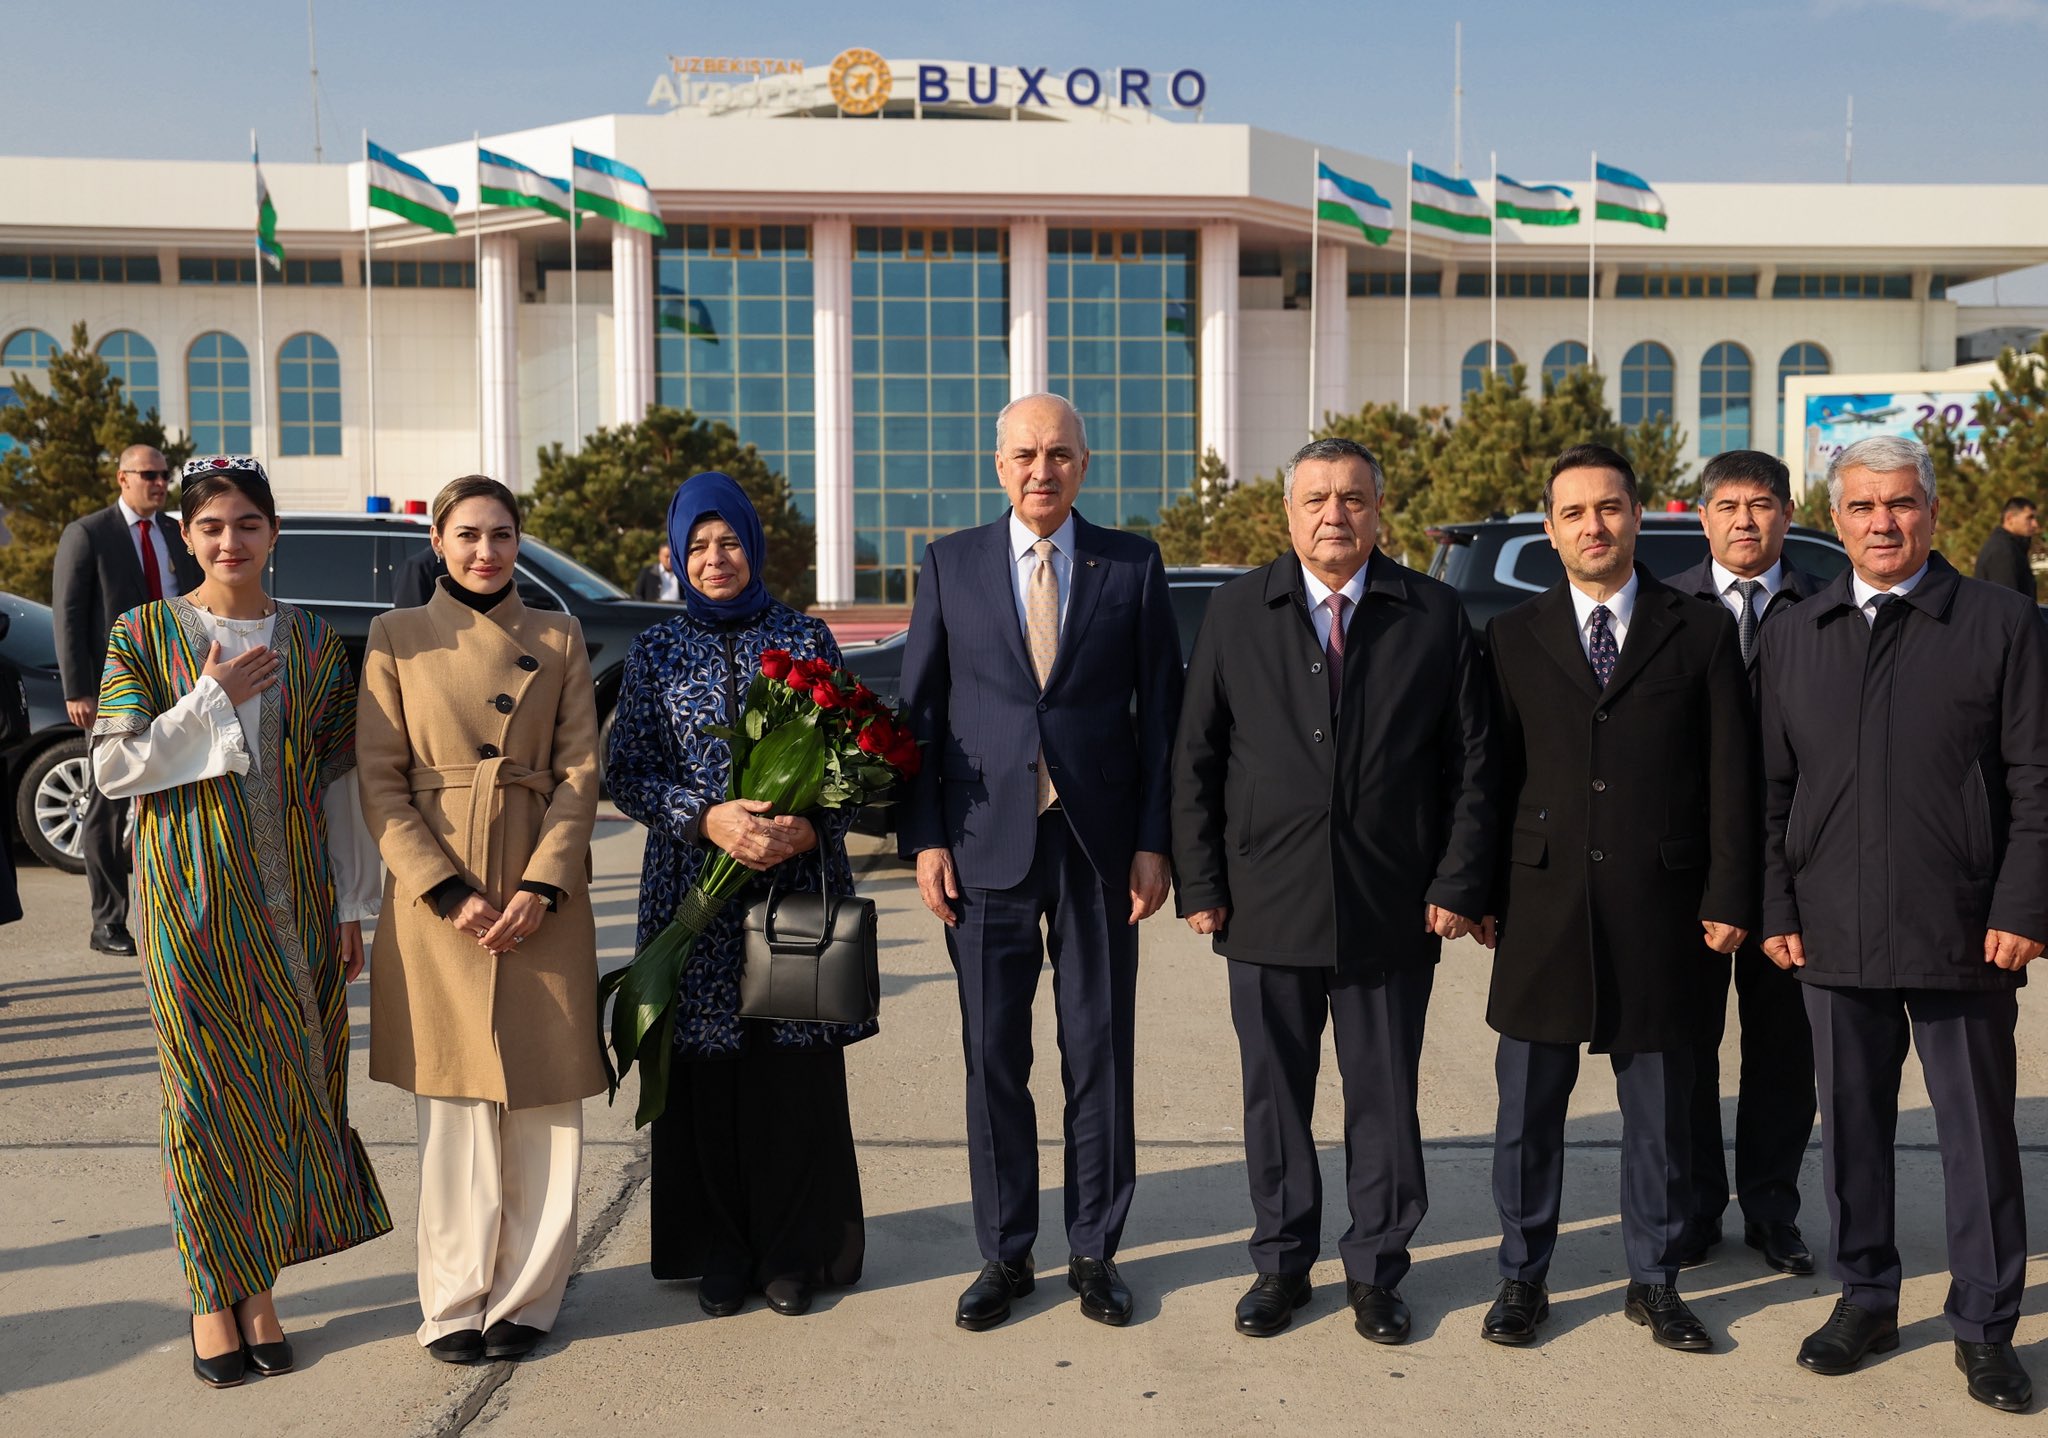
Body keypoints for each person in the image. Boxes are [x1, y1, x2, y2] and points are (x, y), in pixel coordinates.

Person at [1172, 437, 1495, 1342]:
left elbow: (1473, 763)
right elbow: (1195, 755)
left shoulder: (1433, 613)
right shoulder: (1238, 610)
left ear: (1378, 511)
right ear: (1288, 512)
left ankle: (1377, 1271)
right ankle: (1281, 1265)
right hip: (1263, 899)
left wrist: (1458, 879)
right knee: (1274, 1097)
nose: (1334, 515)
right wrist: (1200, 880)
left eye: (1353, 498)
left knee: (1384, 1098)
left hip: (1391, 902)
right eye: (1315, 498)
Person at [1758, 435, 2046, 1414]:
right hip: (1830, 928)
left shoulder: (2002, 623)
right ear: (1833, 519)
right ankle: (1866, 1300)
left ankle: (1985, 1326)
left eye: (1900, 503)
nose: (1882, 522)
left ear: (1931, 510)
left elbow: (2036, 778)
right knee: (1850, 1132)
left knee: (1976, 1136)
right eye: (1861, 506)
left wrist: (2022, 903)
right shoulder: (1796, 632)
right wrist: (1776, 904)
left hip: (1963, 926)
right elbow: (1771, 789)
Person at [90, 455, 389, 1389]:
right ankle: (209, 1293)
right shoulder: (143, 634)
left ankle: (258, 1287)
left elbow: (341, 781)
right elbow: (114, 767)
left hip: (296, 905)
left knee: (287, 1088)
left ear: (274, 532)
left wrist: (354, 904)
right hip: (190, 903)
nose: (231, 541)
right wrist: (213, 698)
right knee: (202, 1096)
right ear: (185, 536)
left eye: (248, 524)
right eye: (212, 526)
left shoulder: (313, 640)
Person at [897, 392, 1184, 1332]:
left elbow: (1162, 715)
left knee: (1098, 1051)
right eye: (1024, 453)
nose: (1041, 469)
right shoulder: (951, 563)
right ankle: (1006, 1252)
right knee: (993, 1057)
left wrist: (1155, 840)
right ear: (999, 466)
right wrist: (924, 838)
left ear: (1084, 466)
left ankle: (1094, 1249)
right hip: (983, 846)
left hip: (1099, 848)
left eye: (1059, 453)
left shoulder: (1131, 564)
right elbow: (919, 714)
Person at [1482, 443, 1757, 1354]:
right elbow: (1490, 777)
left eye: (1609, 508)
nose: (1593, 526)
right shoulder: (1512, 637)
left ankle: (1657, 1279)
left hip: (1664, 911)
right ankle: (1523, 1277)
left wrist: (1730, 892)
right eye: (1573, 513)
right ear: (1550, 528)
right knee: (1528, 1114)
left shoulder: (1700, 630)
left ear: (1639, 516)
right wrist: (1478, 891)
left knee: (1663, 1117)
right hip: (1541, 908)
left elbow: (1731, 777)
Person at [605, 471, 871, 1319]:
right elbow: (627, 772)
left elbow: (849, 758)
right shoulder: (656, 649)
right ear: (676, 559)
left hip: (789, 889)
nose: (715, 559)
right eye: (697, 547)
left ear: (753, 547)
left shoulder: (803, 637)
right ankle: (720, 1249)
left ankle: (794, 1252)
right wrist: (705, 818)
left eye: (728, 543)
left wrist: (808, 827)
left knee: (788, 1077)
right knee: (707, 1077)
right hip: (694, 895)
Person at [357, 475, 606, 1366]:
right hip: (441, 899)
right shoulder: (395, 636)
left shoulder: (559, 635)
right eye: (467, 534)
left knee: (544, 1101)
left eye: (501, 534)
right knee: (456, 1109)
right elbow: (380, 781)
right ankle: (455, 1299)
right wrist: (446, 891)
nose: (485, 551)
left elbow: (580, 773)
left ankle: (529, 1297)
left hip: (542, 891)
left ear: (519, 540)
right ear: (437, 540)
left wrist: (544, 885)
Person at [1658, 450, 1823, 1276]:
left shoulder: (1825, 607)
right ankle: (1693, 1210)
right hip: (1691, 868)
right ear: (1703, 518)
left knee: (1785, 1052)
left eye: (1761, 505)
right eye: (1727, 506)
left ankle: (1771, 1211)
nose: (1744, 521)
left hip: (1798, 865)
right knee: (1686, 1047)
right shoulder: (1664, 608)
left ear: (1789, 514)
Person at [52, 443, 203, 954]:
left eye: (164, 475)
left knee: (181, 793)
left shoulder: (175, 532)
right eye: (149, 475)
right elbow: (70, 615)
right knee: (108, 805)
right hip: (114, 689)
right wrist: (78, 689)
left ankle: (184, 916)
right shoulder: (88, 534)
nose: (160, 484)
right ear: (123, 478)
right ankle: (108, 922)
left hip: (177, 684)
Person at [1973, 496, 2038, 600]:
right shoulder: (2002, 551)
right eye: (2029, 518)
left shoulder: (2013, 548)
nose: (2035, 524)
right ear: (2009, 518)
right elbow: (2006, 601)